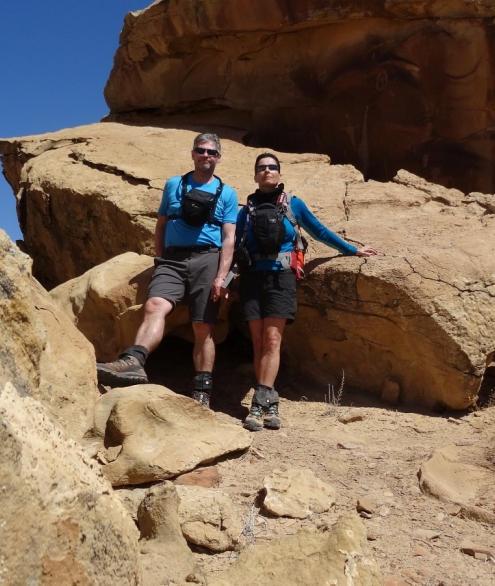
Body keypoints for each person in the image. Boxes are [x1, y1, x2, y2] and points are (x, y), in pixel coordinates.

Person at [236, 153, 378, 431]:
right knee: (257, 342)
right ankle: (271, 400)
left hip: (281, 278)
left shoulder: (293, 204)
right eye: (261, 168)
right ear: (255, 176)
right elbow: (234, 245)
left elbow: (319, 231)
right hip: (252, 279)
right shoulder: (247, 210)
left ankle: (258, 402)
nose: (267, 171)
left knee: (272, 340)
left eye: (272, 167)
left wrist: (351, 249)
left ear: (279, 173)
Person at [96, 133, 238, 409]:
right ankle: (134, 361)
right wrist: (160, 259)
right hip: (172, 260)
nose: (205, 155)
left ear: (218, 157)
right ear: (193, 153)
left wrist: (222, 275)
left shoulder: (228, 193)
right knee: (154, 305)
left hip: (208, 259)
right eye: (201, 150)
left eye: (211, 152)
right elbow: (161, 224)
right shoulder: (174, 185)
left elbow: (229, 237)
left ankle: (202, 391)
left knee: (203, 325)